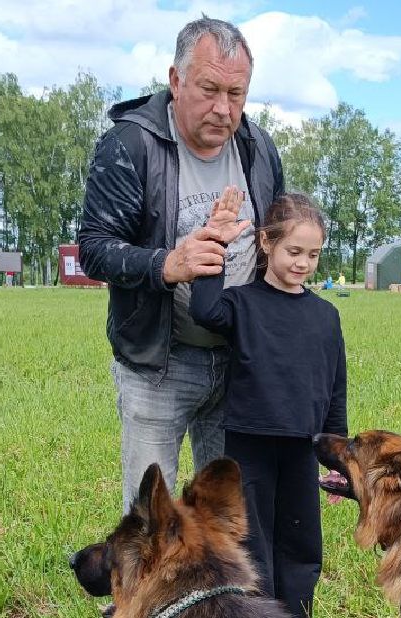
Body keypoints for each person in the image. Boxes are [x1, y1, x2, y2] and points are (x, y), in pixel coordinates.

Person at [77, 17, 284, 499]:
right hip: (158, 363)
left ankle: (215, 581)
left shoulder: (257, 148)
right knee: (151, 522)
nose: (223, 108)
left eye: (236, 94)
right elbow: (94, 247)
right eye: (209, 89)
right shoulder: (130, 145)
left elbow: (275, 237)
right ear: (175, 80)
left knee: (226, 516)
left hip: (239, 360)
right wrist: (168, 264)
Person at [189, 187, 345, 618]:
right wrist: (215, 240)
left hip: (301, 448)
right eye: (294, 251)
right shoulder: (241, 304)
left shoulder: (325, 316)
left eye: (313, 255)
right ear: (266, 243)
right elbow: (203, 309)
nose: (302, 263)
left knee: (300, 549)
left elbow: (335, 388)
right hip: (249, 445)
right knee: (254, 547)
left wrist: (336, 457)